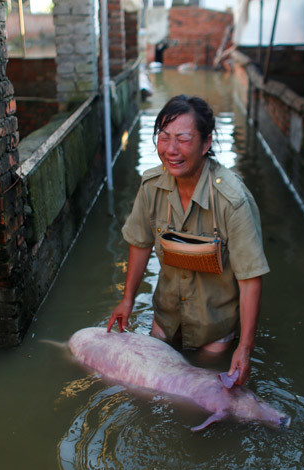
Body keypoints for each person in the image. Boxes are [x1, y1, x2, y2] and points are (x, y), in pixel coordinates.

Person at [108, 95, 269, 387]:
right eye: (164, 137)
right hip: (167, 316)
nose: (171, 150)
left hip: (214, 329)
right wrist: (128, 299)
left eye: (183, 139)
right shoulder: (151, 187)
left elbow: (250, 279)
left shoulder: (232, 201)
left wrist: (245, 348)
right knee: (151, 386)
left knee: (205, 386)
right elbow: (141, 243)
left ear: (206, 143)